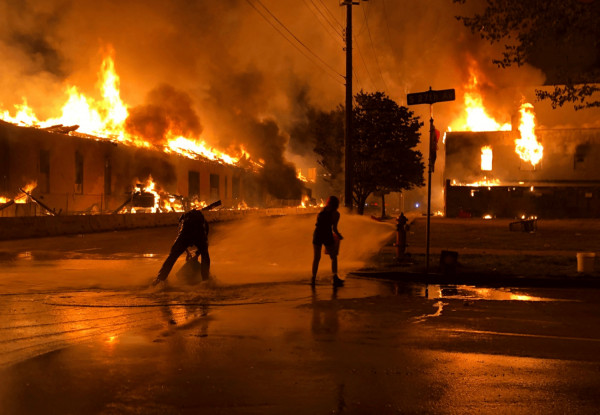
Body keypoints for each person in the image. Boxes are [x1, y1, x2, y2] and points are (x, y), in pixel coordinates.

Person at [152, 208, 210, 286]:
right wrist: (196, 254)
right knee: (205, 255)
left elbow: (180, 237)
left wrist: (187, 252)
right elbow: (205, 243)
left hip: (186, 234)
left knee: (172, 256)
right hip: (198, 233)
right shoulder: (203, 223)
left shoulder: (183, 222)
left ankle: (160, 279)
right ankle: (205, 281)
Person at [312, 196, 344, 286]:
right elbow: (334, 228)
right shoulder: (336, 214)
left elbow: (318, 223)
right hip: (327, 234)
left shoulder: (322, 211)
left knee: (316, 258)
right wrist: (339, 236)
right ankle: (335, 277)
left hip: (317, 234)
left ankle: (313, 278)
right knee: (333, 257)